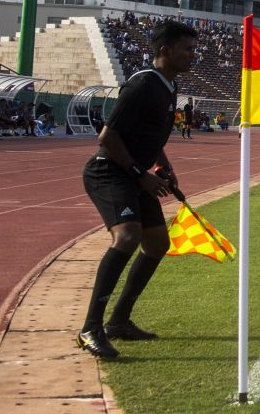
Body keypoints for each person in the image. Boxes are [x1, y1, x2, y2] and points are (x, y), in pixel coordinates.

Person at [77, 20, 198, 359]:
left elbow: (152, 137)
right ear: (165, 51)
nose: (193, 55)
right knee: (127, 236)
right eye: (187, 49)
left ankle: (119, 321)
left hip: (135, 174)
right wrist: (140, 174)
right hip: (108, 172)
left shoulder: (168, 87)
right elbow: (108, 137)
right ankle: (91, 327)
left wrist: (164, 166)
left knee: (158, 242)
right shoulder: (143, 85)